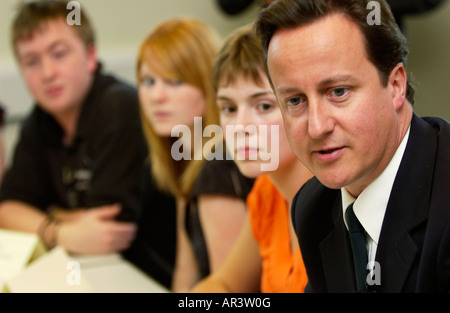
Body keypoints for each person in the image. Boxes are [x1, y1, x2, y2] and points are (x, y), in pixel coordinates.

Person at [255, 0, 450, 292]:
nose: (316, 127)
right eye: (295, 100)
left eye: (338, 91)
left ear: (395, 85)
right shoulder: (314, 208)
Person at [0, 0, 145, 255]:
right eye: (32, 61)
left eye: (59, 54)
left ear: (90, 56)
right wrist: (59, 231)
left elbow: (106, 233)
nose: (47, 73)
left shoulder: (119, 107)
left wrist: (50, 211)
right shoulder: (41, 120)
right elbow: (8, 209)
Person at [136, 18, 254, 292]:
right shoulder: (187, 159)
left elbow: (232, 292)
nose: (157, 96)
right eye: (148, 80)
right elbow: (185, 271)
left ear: (207, 83)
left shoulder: (220, 166)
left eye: (175, 81)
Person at [192, 24, 312, 293]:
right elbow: (224, 284)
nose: (240, 126)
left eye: (264, 106)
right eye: (229, 108)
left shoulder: (336, 199)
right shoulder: (267, 192)